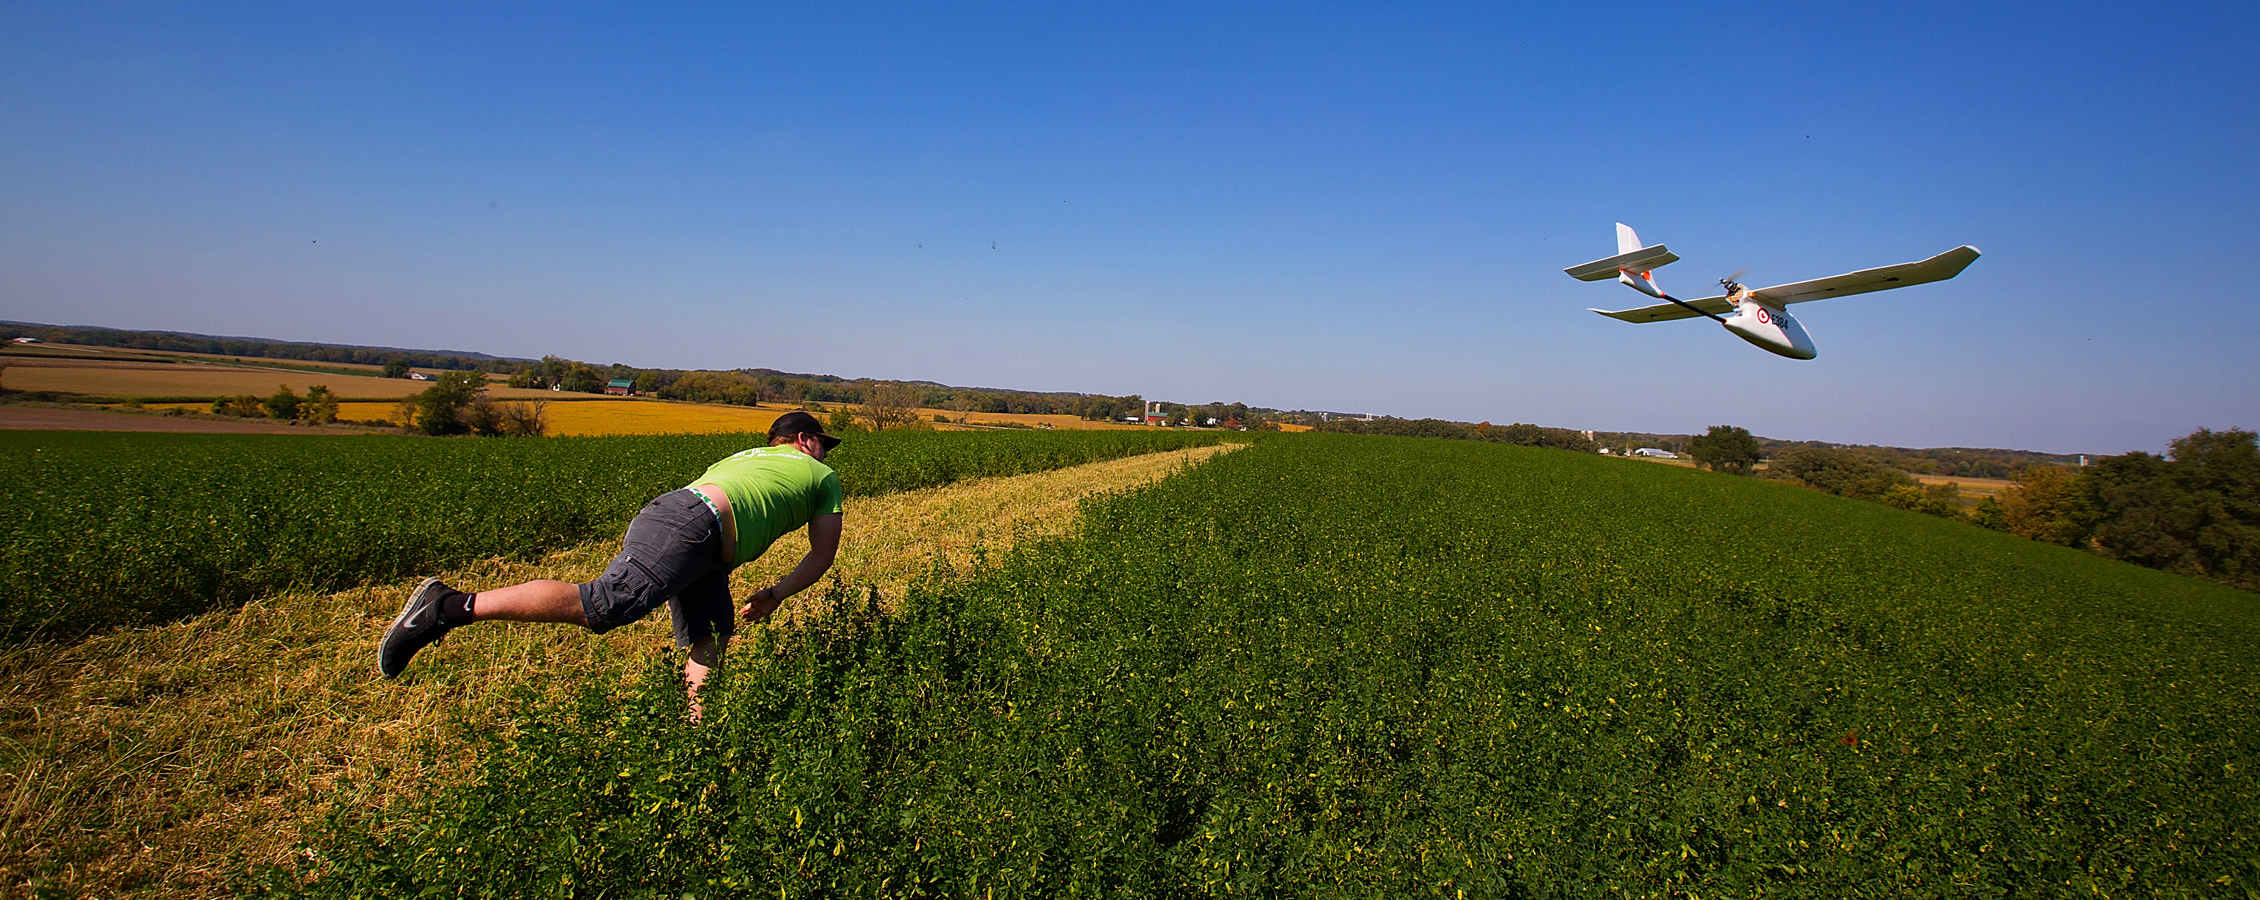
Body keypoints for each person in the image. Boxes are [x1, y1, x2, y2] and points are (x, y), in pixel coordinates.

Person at [379, 411, 846, 718]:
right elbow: (822, 554)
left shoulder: (746, 456)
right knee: (604, 605)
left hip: (691, 530)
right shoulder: (821, 474)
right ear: (804, 440)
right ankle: (447, 607)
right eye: (823, 442)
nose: (827, 452)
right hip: (694, 527)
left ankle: (698, 737)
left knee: (710, 632)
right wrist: (777, 594)